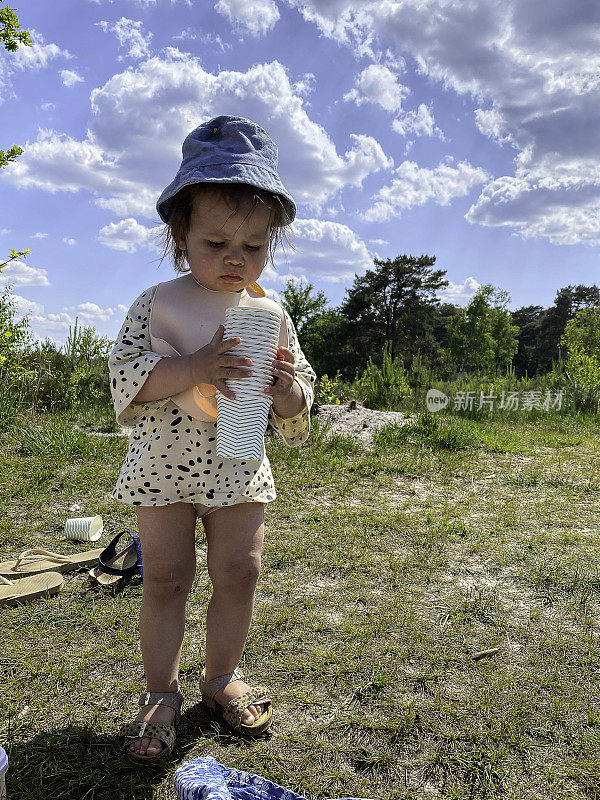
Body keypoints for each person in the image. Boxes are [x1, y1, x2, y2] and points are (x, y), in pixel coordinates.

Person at [108, 116, 316, 763]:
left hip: (238, 459)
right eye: (217, 241)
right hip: (165, 463)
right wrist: (196, 365)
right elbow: (126, 378)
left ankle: (221, 676)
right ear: (181, 235)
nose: (236, 258)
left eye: (254, 246)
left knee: (240, 571)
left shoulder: (271, 314)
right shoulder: (158, 303)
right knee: (166, 576)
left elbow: (301, 405)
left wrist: (285, 390)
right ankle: (161, 692)